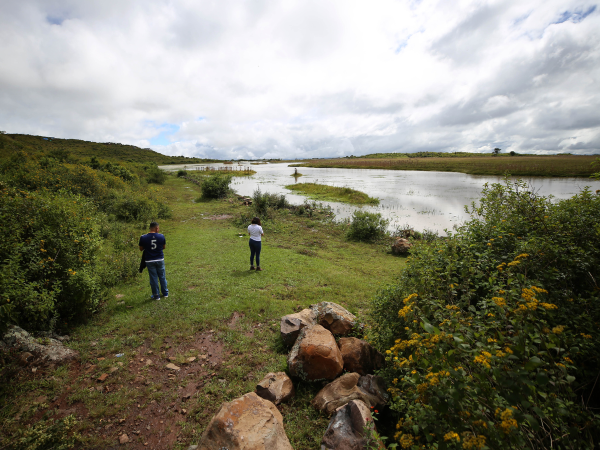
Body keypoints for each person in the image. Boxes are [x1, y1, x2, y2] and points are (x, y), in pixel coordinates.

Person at [139, 221, 169, 300]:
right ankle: (165, 293)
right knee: (162, 276)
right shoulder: (161, 236)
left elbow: (141, 249)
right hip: (159, 259)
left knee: (153, 278)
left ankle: (156, 295)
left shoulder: (143, 237)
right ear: (157, 228)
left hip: (149, 260)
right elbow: (164, 247)